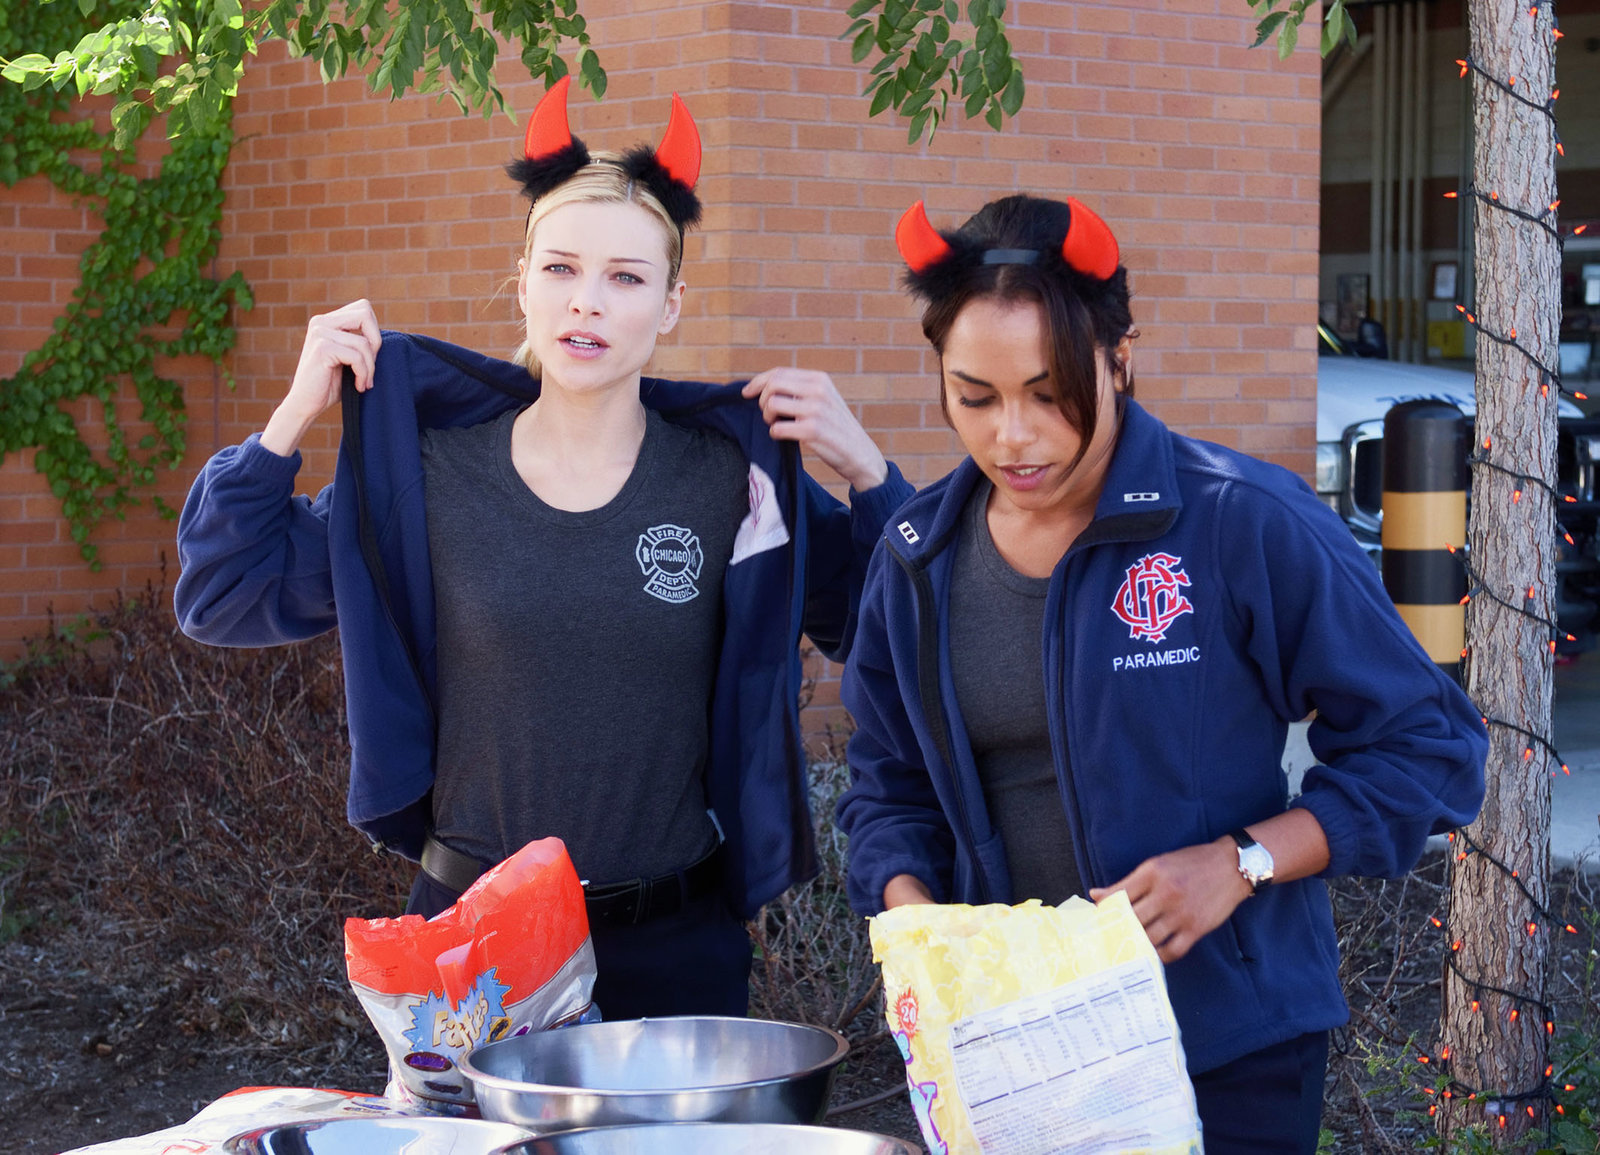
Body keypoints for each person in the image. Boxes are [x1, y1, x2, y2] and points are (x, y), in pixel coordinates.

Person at [173, 78, 913, 1021]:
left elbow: (898, 634)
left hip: (675, 954)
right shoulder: (428, 476)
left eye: (626, 278)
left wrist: (870, 475)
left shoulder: (731, 481)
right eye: (561, 268)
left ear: (672, 303)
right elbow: (223, 593)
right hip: (472, 949)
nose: (586, 303)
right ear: (521, 279)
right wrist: (291, 416)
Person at [834, 193, 1487, 1152]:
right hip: (1010, 1051)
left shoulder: (1241, 519)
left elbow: (1430, 747)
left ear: (1120, 355)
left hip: (1227, 1046)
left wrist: (1241, 862)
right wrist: (921, 925)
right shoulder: (917, 557)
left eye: (1049, 392)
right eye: (975, 396)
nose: (1013, 435)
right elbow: (889, 786)